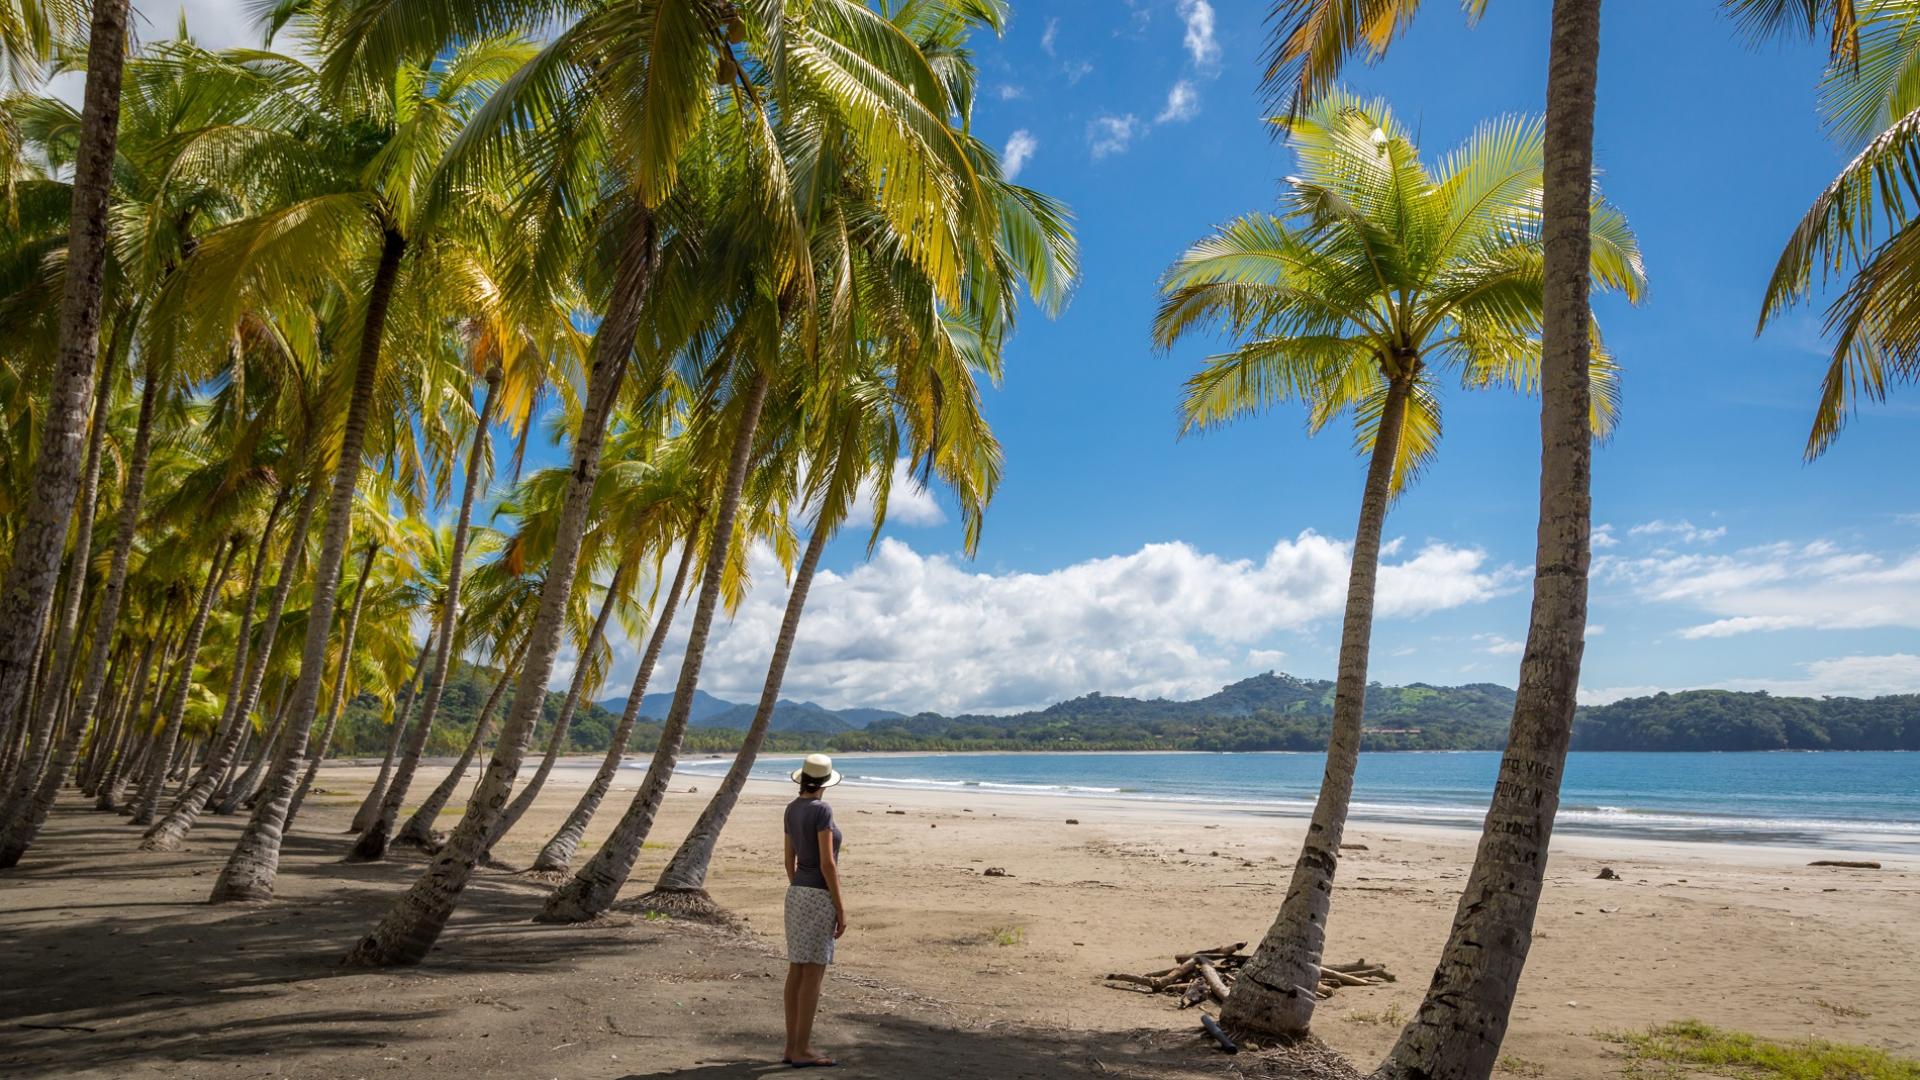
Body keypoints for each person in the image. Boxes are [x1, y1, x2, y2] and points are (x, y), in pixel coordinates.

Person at [782, 753, 845, 1068]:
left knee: (797, 969)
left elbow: (788, 860)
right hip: (818, 895)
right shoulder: (822, 810)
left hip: (796, 893)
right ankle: (802, 1049)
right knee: (813, 974)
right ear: (825, 782)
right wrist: (840, 907)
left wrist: (800, 887)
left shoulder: (792, 808)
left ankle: (791, 1046)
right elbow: (827, 863)